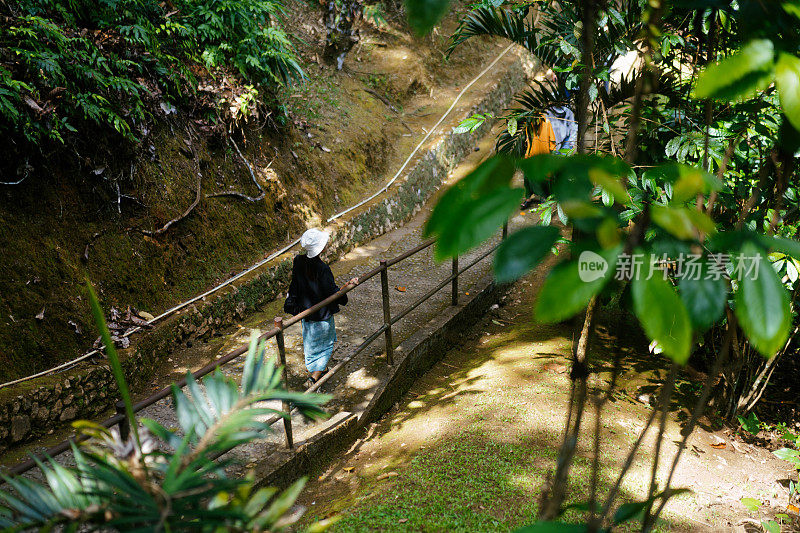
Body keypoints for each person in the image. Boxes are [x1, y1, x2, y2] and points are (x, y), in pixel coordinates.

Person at [284, 228, 358, 389]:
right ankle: (314, 377)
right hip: (322, 314)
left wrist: (344, 286)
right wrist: (347, 287)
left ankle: (320, 369)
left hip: (305, 313)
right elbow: (332, 292)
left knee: (310, 344)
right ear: (321, 248)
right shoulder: (323, 269)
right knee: (326, 344)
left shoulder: (298, 261)